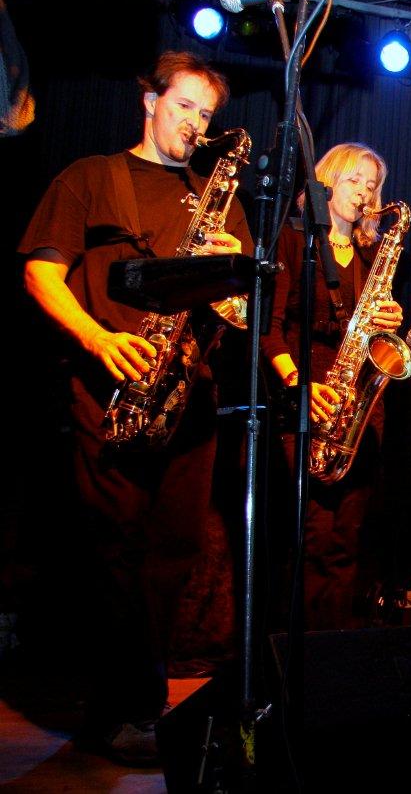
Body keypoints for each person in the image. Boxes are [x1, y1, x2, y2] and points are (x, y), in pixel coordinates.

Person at [18, 51, 252, 763]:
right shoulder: (91, 177)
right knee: (113, 552)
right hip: (111, 386)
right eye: (184, 106)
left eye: (206, 114)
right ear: (149, 101)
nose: (195, 124)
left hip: (190, 397)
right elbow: (41, 272)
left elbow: (243, 315)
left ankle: (142, 703)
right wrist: (98, 339)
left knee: (173, 555)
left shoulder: (215, 196)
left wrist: (227, 274)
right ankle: (119, 705)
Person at [262, 142, 404, 632]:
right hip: (307, 398)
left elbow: (372, 335)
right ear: (325, 184)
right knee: (311, 538)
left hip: (358, 409)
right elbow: (267, 327)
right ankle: (293, 651)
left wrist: (391, 321)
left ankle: (335, 649)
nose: (364, 192)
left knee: (347, 540)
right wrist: (297, 383)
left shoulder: (372, 253)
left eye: (371, 185)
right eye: (353, 180)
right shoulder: (291, 241)